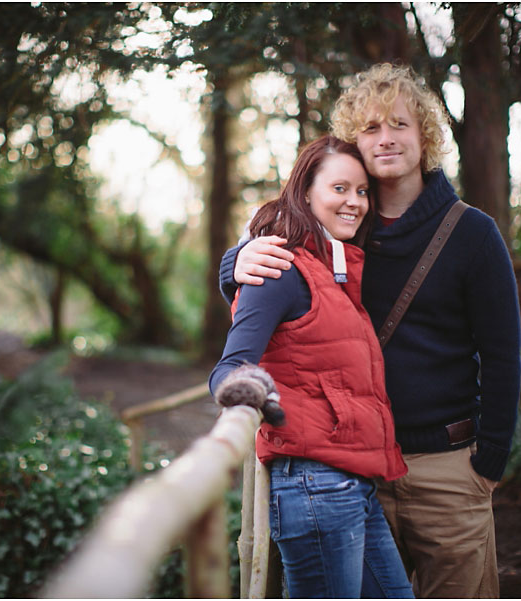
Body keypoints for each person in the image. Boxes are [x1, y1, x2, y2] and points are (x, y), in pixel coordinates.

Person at [219, 63, 521, 598]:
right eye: (371, 128)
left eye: (400, 125)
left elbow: (503, 355)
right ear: (354, 143)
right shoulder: (340, 225)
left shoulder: (473, 234)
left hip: (447, 469)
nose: (386, 139)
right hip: (351, 470)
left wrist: (488, 461)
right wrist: (236, 261)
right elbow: (280, 262)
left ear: (425, 137)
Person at [210, 135, 415, 599]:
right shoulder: (279, 265)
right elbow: (231, 367)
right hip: (314, 485)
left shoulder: (336, 271)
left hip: (352, 483)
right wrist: (250, 396)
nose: (355, 202)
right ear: (305, 192)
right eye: (340, 188)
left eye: (362, 191)